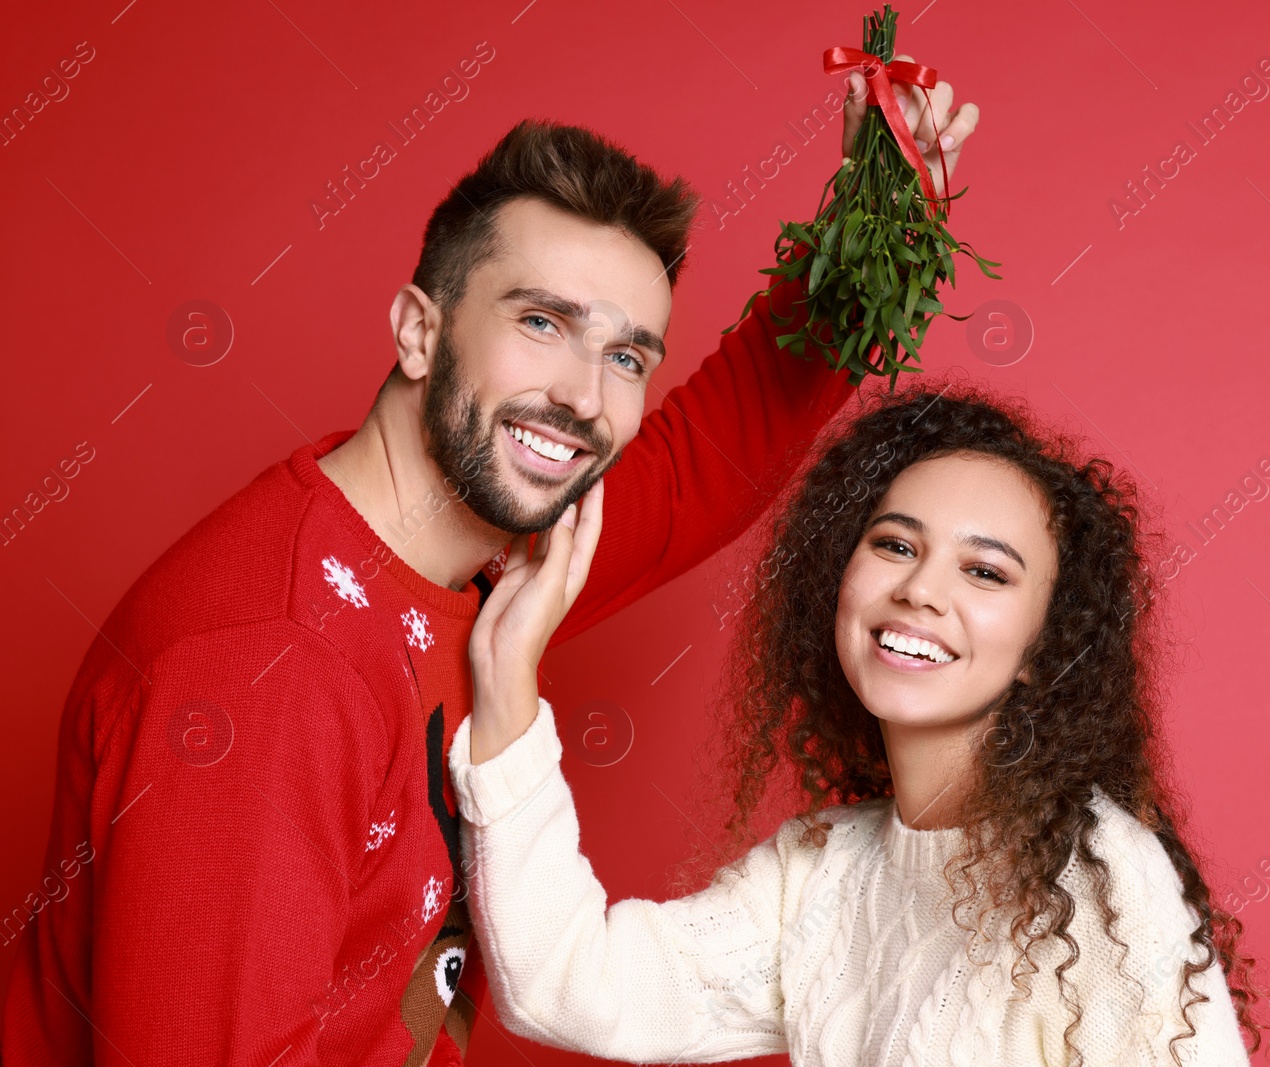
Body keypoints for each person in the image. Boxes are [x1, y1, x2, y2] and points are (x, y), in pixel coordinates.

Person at [2, 65, 982, 1064]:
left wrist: (881, 230)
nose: (582, 396)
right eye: (542, 323)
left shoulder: (484, 549)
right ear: (419, 329)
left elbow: (705, 467)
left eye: (628, 356)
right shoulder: (269, 670)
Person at [453, 385, 1270, 1066]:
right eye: (893, 544)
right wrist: (507, 682)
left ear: (1042, 645)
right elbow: (568, 983)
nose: (921, 590)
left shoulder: (1095, 878)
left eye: (985, 570)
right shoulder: (819, 875)